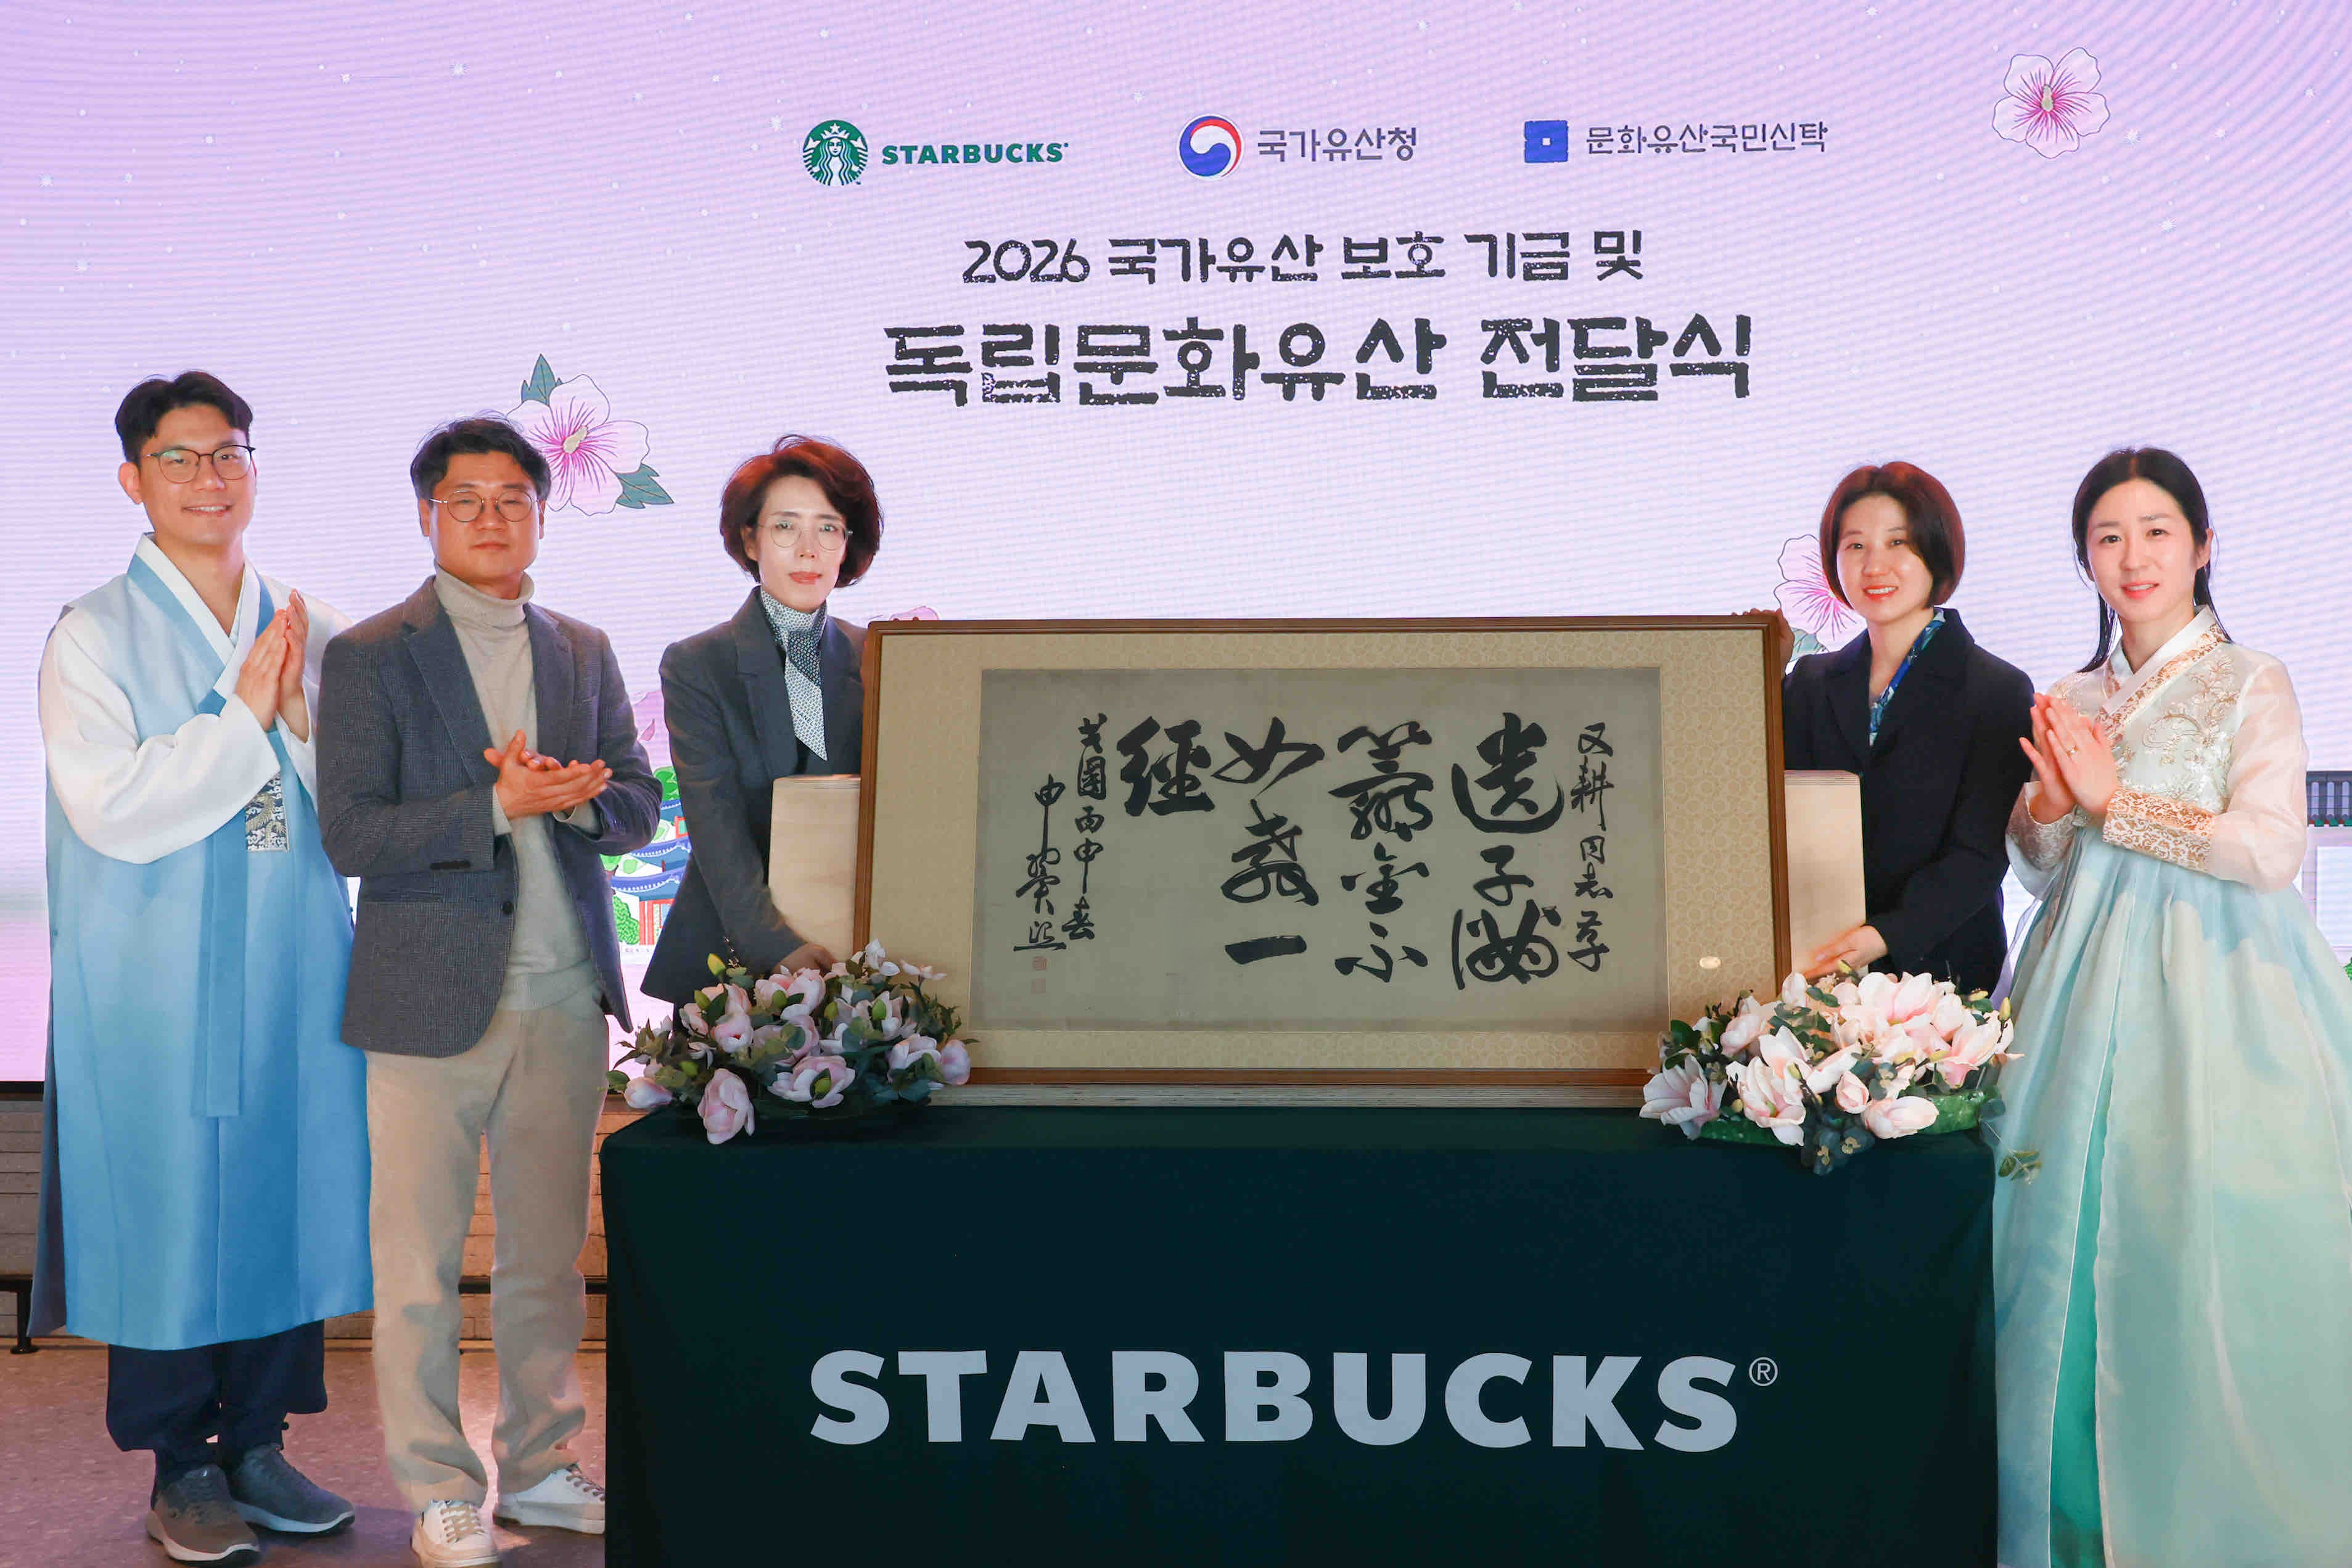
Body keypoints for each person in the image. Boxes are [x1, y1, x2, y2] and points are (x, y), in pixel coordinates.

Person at [1992, 447, 2352, 1567]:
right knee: (2058, 1237)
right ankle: (2076, 1523)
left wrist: (2117, 804)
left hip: (2218, 987)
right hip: (2074, 984)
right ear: (2084, 558)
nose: (2131, 556)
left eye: (2155, 531)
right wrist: (2049, 806)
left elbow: (2269, 850)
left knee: (2199, 1233)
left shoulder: (2250, 678)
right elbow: (2037, 868)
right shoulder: (2072, 693)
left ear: (2201, 546)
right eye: (2106, 536)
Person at [35, 372, 369, 1562]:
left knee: (284, 1188)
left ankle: (261, 1445)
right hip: (156, 977)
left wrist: (295, 720)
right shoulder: (91, 632)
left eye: (228, 452)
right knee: (168, 1205)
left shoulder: (311, 622)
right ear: (133, 479)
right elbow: (111, 804)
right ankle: (181, 1462)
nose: (208, 477)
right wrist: (244, 719)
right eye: (178, 458)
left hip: (287, 963)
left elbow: (355, 800)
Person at [316, 416, 661, 1567]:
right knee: (416, 1266)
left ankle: (544, 1463)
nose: (490, 517)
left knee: (547, 1259)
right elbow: (350, 831)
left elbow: (637, 805)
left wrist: (574, 797)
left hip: (565, 997)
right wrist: (493, 808)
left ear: (540, 514)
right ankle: (437, 1486)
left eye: (513, 497)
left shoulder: (582, 648)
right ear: (426, 515)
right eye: (464, 499)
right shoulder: (373, 653)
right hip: (424, 999)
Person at [641, 435, 882, 1001]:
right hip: (734, 954)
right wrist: (776, 947)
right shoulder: (698, 663)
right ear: (750, 539)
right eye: (786, 526)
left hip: (863, 952)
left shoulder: (878, 655)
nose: (808, 550)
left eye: (828, 527)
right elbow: (715, 823)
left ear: (848, 544)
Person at [1780, 462, 2034, 991]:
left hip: (1945, 979)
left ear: (1936, 551)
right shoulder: (1807, 683)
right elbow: (1765, 811)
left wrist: (1885, 934)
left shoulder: (1997, 689)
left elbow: (1980, 855)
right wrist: (1755, 668)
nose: (1875, 565)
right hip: (1818, 969)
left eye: (1898, 542)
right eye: (1855, 545)